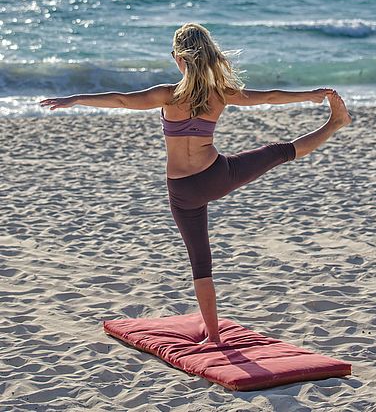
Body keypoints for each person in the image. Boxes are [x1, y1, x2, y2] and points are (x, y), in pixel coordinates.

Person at [39, 22, 351, 344]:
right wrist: (310, 95)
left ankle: (213, 337)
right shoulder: (220, 95)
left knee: (201, 263)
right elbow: (269, 97)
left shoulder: (167, 95)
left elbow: (120, 100)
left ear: (179, 58)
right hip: (217, 176)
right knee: (278, 152)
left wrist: (75, 99)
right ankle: (335, 123)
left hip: (182, 191)